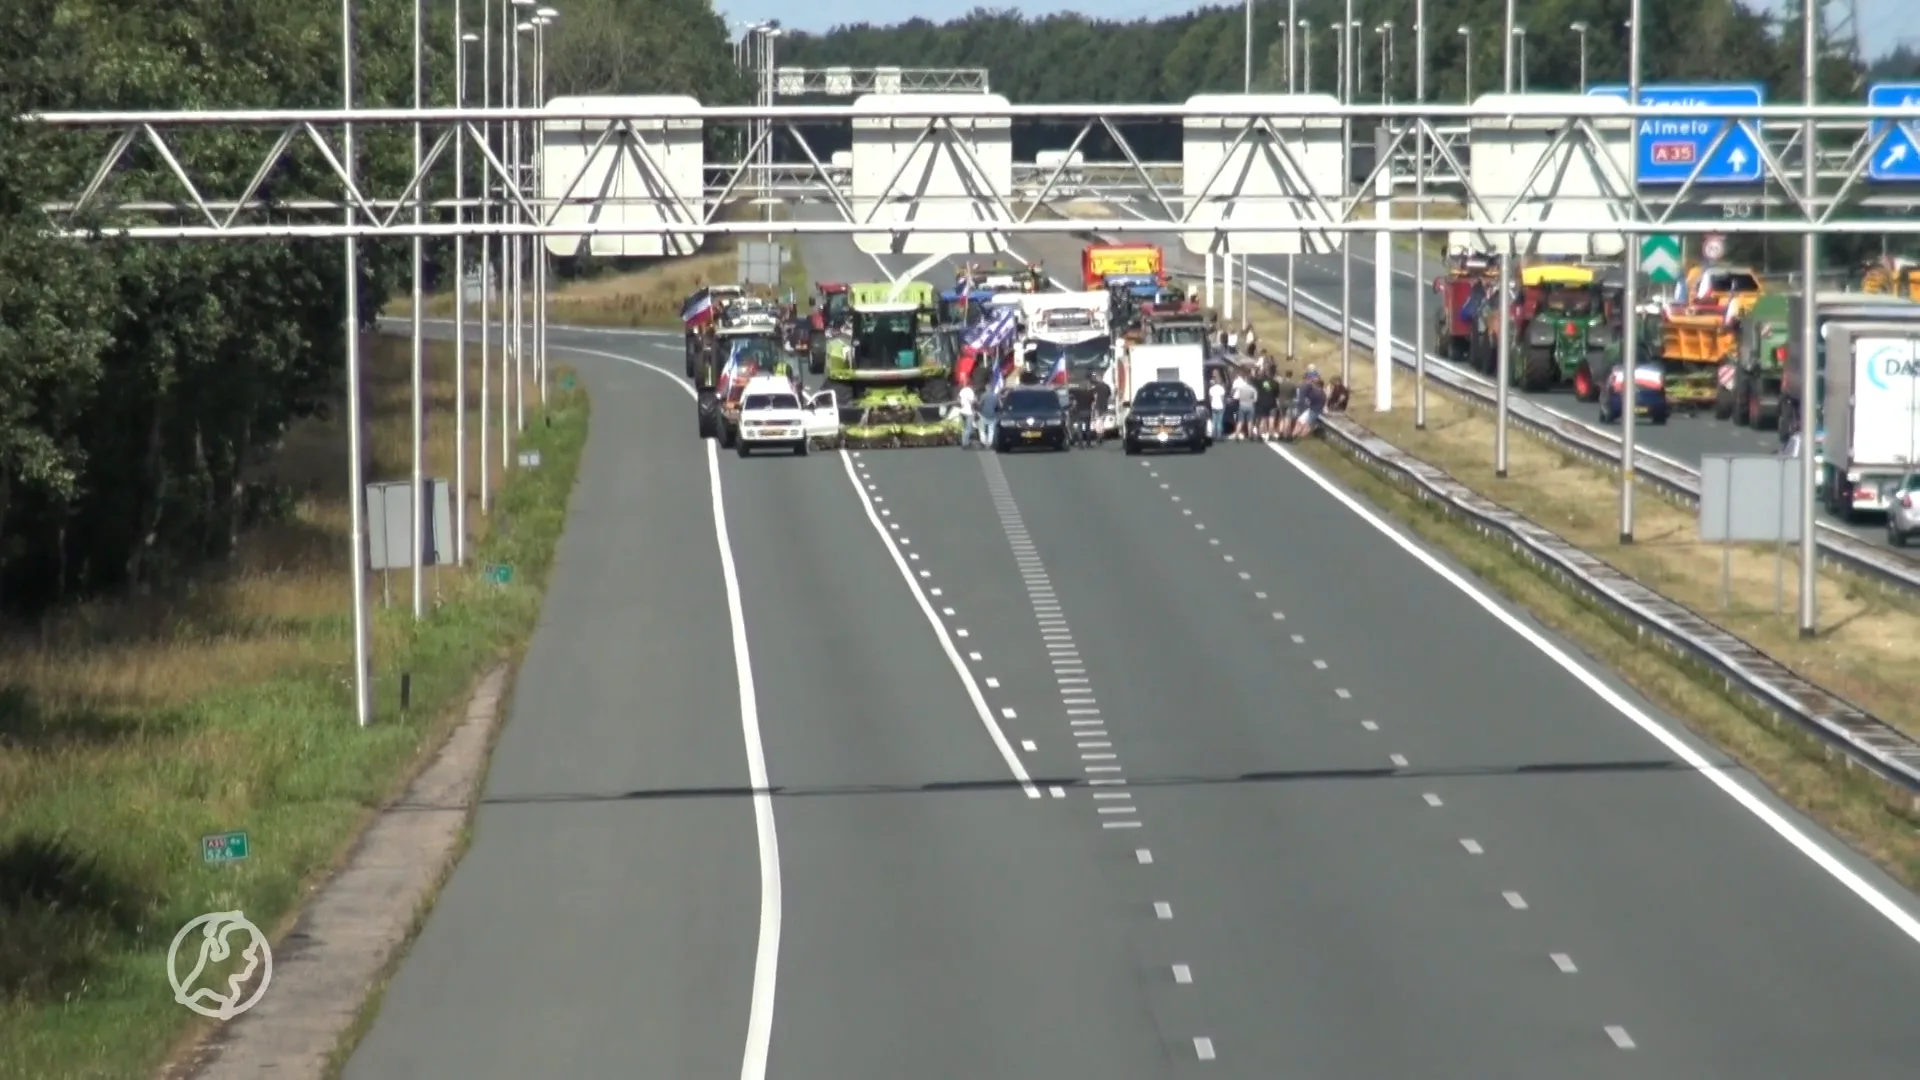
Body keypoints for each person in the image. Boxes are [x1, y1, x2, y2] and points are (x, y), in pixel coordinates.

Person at [1231, 368, 1256, 440]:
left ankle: (1237, 432)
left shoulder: (1237, 382)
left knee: (1238, 418)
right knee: (1248, 419)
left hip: (1238, 400)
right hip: (1247, 402)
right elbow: (1253, 396)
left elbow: (1233, 391)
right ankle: (1247, 433)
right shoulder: (1247, 384)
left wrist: (1231, 396)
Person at [980, 376, 1001, 448]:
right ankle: (989, 442)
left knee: (982, 429)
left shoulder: (983, 395)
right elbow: (998, 406)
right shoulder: (995, 396)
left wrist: (979, 410)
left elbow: (980, 404)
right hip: (992, 415)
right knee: (991, 430)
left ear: (986, 388)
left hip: (983, 414)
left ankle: (983, 441)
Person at [957, 381, 979, 449]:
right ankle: (965, 443)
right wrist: (975, 400)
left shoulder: (962, 390)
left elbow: (958, 398)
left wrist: (961, 404)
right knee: (968, 429)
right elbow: (972, 402)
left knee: (963, 428)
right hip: (968, 412)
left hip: (962, 411)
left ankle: (962, 440)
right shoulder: (970, 392)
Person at [1207, 374, 1227, 442]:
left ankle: (1213, 436)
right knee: (1219, 422)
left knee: (1214, 421)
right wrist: (1224, 405)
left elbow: (1210, 399)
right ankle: (1219, 436)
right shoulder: (1221, 389)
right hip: (1220, 406)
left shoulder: (1211, 389)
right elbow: (1222, 398)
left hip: (1213, 406)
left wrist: (1211, 404)